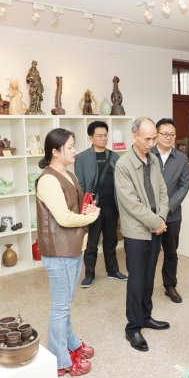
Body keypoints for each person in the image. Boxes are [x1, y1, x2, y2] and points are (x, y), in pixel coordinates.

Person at [36, 128, 100, 377]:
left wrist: (86, 211)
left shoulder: (69, 175)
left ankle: (71, 343)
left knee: (65, 304)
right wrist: (90, 218)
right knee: (60, 307)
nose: (75, 151)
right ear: (55, 151)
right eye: (70, 147)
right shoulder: (48, 180)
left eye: (74, 146)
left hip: (72, 246)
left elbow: (74, 209)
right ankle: (59, 360)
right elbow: (63, 218)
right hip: (59, 251)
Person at [115, 117, 170, 352]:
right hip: (137, 231)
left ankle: (146, 317)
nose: (151, 143)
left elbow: (163, 192)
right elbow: (130, 203)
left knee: (149, 277)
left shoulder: (153, 160)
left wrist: (161, 218)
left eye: (154, 139)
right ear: (134, 136)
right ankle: (133, 327)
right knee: (136, 280)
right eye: (147, 139)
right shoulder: (123, 165)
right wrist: (155, 221)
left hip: (156, 227)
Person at [74, 121, 127, 288]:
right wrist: (84, 208)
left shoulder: (114, 156)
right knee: (91, 243)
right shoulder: (82, 158)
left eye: (105, 135)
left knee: (111, 241)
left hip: (112, 206)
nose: (104, 138)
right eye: (99, 136)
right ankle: (89, 274)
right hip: (93, 208)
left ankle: (113, 270)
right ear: (90, 138)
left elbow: (121, 181)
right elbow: (81, 185)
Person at [151, 118, 189, 303]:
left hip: (172, 214)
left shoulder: (181, 158)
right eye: (164, 134)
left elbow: (184, 186)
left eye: (172, 134)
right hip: (150, 214)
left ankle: (170, 286)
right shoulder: (148, 155)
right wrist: (154, 210)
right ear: (156, 134)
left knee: (171, 252)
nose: (168, 137)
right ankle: (145, 286)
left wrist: (167, 207)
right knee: (149, 252)